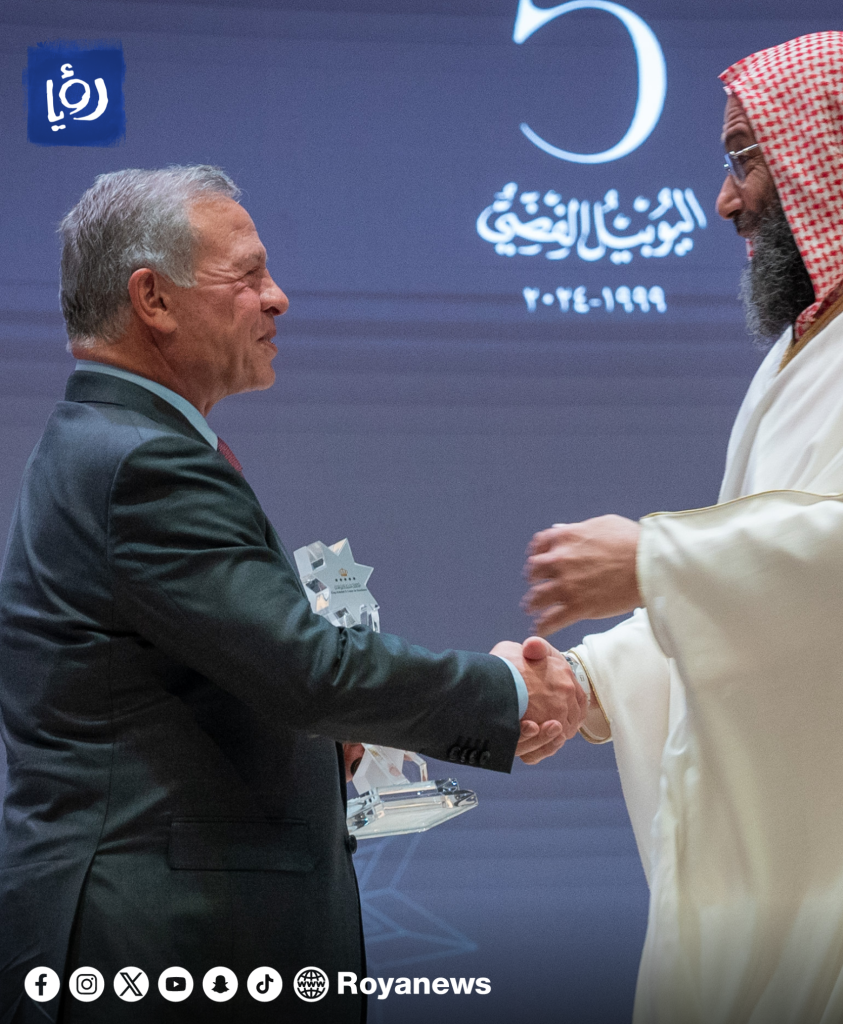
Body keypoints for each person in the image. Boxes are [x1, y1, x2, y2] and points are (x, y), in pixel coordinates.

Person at [0, 165, 586, 1024]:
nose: (278, 298)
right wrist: (506, 693)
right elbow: (306, 672)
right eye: (247, 275)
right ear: (152, 298)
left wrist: (316, 741)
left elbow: (216, 680)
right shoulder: (143, 464)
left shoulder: (113, 443)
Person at [522, 31, 843, 1023]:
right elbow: (777, 604)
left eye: (745, 158)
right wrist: (590, 682)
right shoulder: (826, 333)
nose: (725, 200)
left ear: (838, 148)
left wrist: (657, 560)